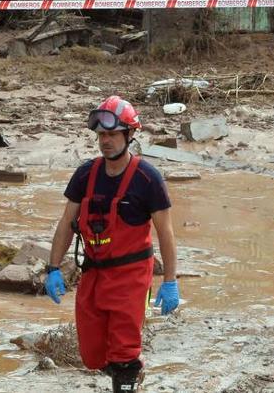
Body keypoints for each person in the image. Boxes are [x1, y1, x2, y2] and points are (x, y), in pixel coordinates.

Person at [46, 95, 180, 393]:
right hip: (93, 274)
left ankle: (128, 374)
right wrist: (53, 267)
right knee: (92, 355)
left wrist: (170, 281)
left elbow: (166, 234)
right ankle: (130, 372)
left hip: (131, 277)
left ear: (130, 134)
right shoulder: (85, 174)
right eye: (101, 135)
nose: (105, 141)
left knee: (123, 351)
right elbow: (66, 223)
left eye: (112, 134)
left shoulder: (148, 179)